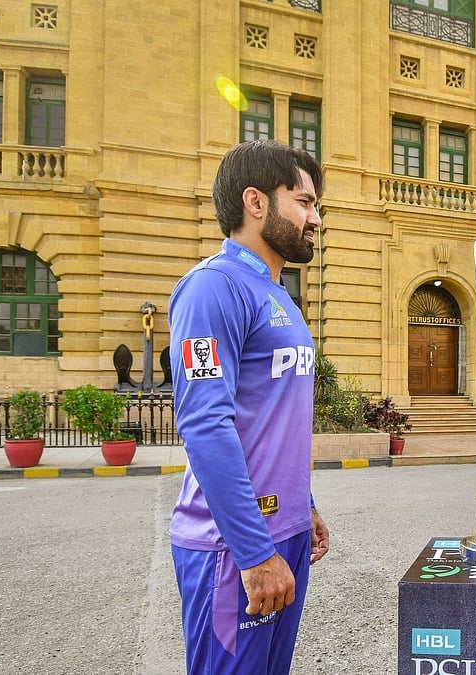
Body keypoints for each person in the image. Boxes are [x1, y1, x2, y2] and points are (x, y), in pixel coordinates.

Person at [168, 139, 330, 674]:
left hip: (285, 532)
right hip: (232, 546)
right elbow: (206, 425)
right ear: (256, 202)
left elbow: (275, 417)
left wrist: (303, 505)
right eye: (303, 203)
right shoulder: (210, 289)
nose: (316, 219)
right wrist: (254, 552)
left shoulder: (278, 293)